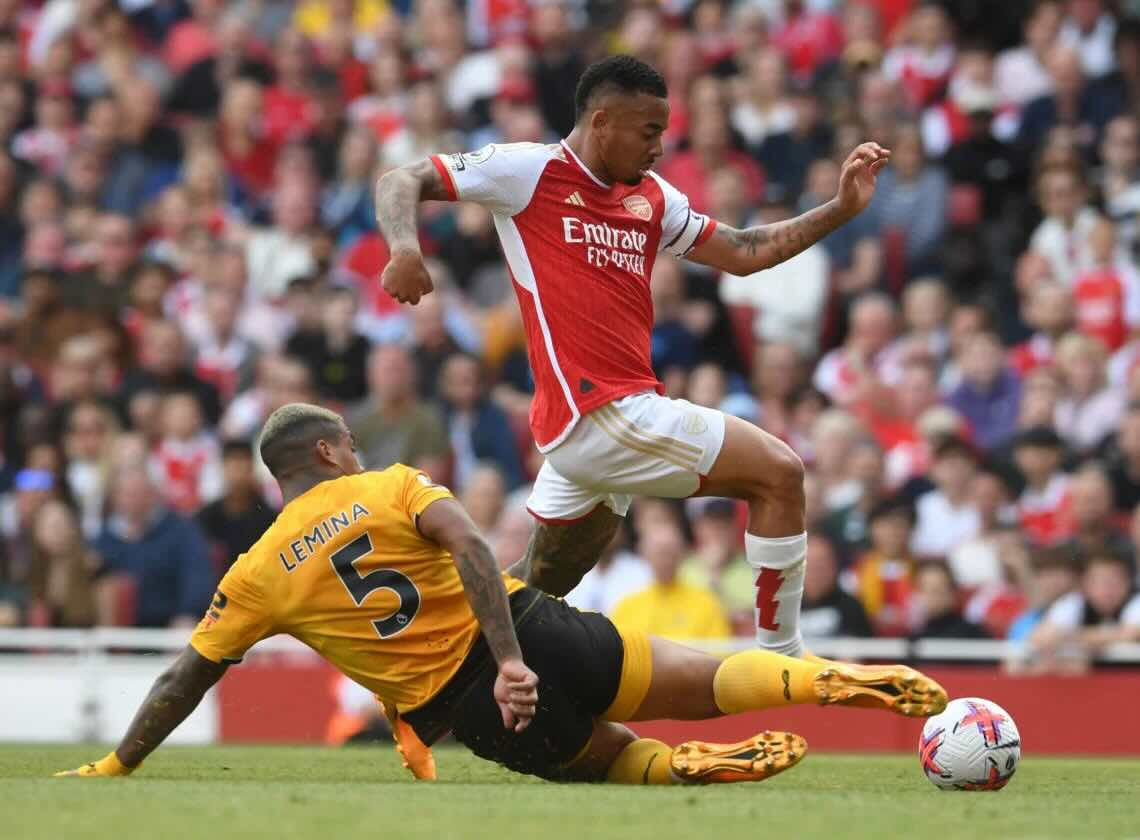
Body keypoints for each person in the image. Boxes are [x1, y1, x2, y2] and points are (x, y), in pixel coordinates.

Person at [57, 404, 947, 783]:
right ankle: (817, 678)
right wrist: (516, 648)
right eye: (351, 444)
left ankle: (676, 769)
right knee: (700, 676)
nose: (358, 452)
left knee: (606, 759)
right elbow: (476, 546)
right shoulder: (393, 485)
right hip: (527, 624)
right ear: (329, 453)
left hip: (468, 703)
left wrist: (118, 761)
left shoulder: (255, 571)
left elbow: (188, 676)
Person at [375, 54, 891, 663]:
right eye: (649, 132)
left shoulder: (653, 198)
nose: (659, 147)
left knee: (542, 581)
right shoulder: (528, 171)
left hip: (597, 425)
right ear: (601, 123)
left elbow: (746, 251)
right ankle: (783, 660)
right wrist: (405, 248)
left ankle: (429, 654)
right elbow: (400, 179)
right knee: (779, 473)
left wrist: (839, 210)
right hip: (600, 412)